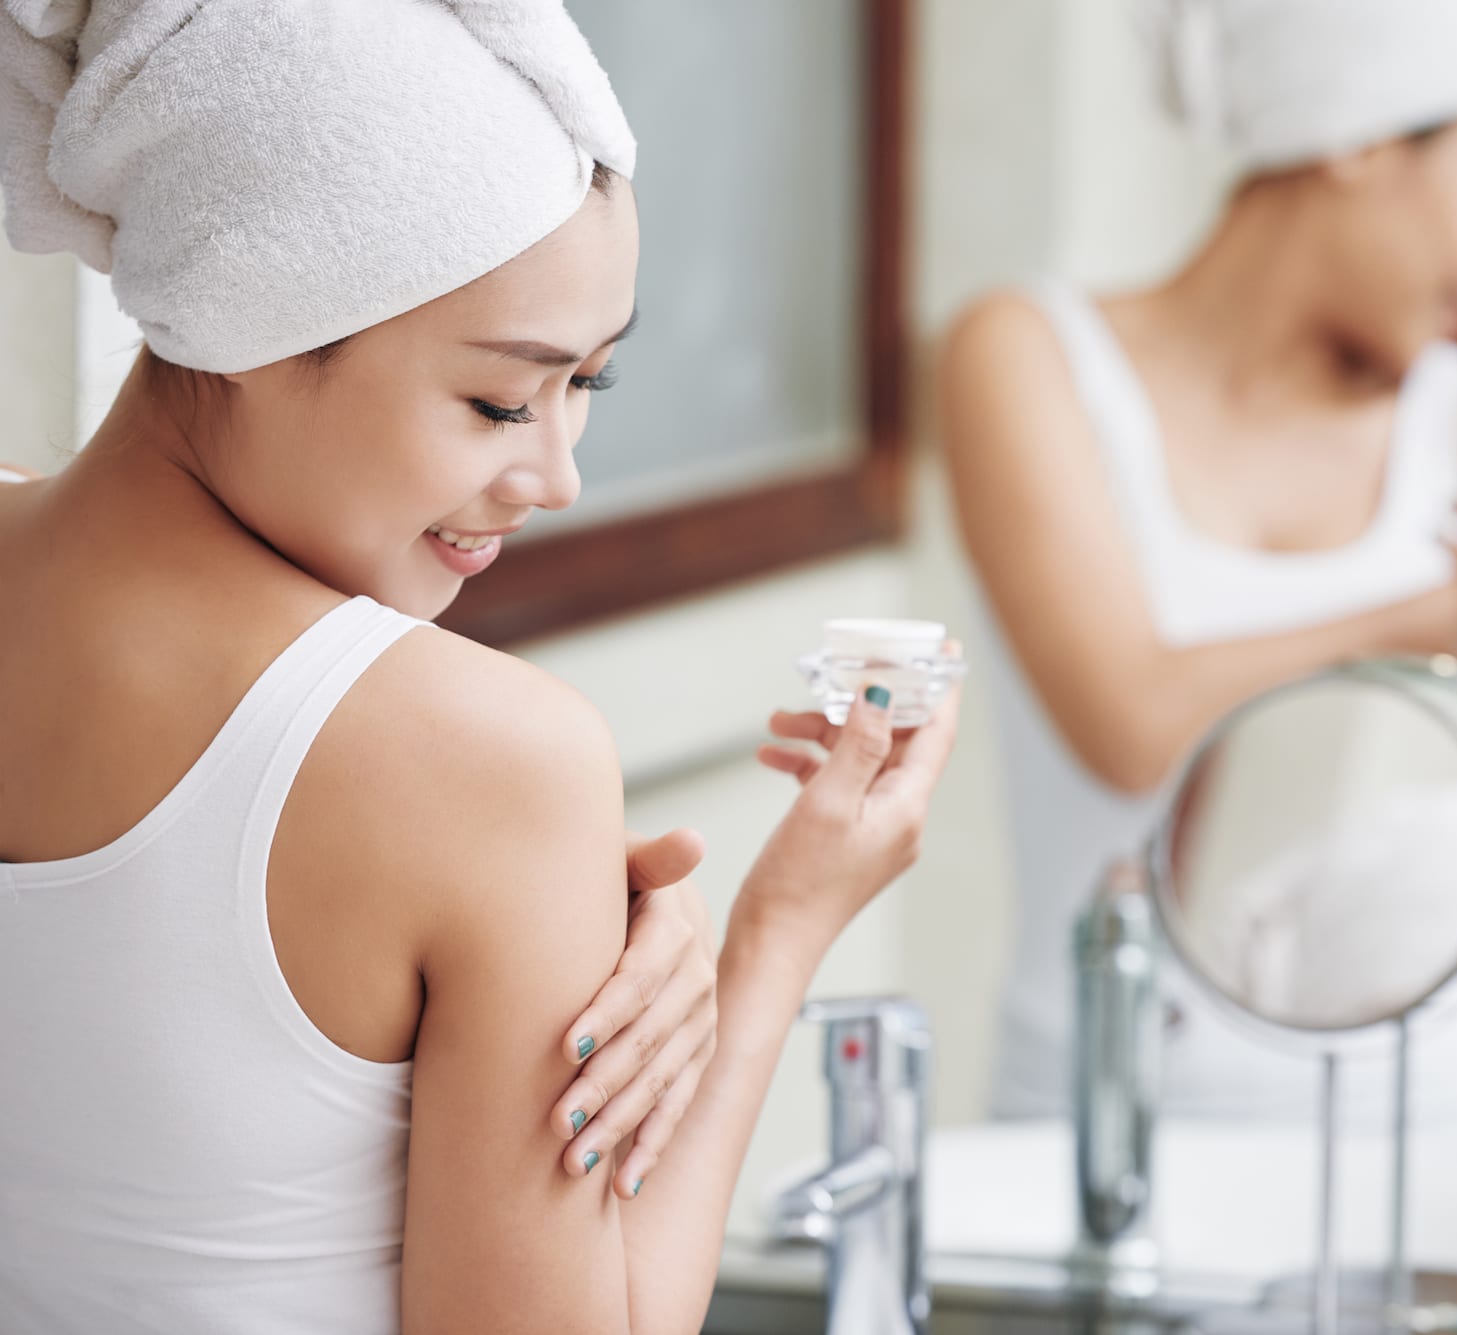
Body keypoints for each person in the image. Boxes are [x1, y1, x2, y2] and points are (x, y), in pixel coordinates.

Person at [0, 3, 956, 1332]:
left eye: (587, 389)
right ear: (255, 314)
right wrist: (778, 934)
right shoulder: (479, 759)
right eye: (501, 399)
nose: (555, 476)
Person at [939, 0, 1457, 1137]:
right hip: (1095, 1120)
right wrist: (1444, 610)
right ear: (1362, 136)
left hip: (1430, 1115)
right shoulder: (1027, 362)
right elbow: (1127, 723)